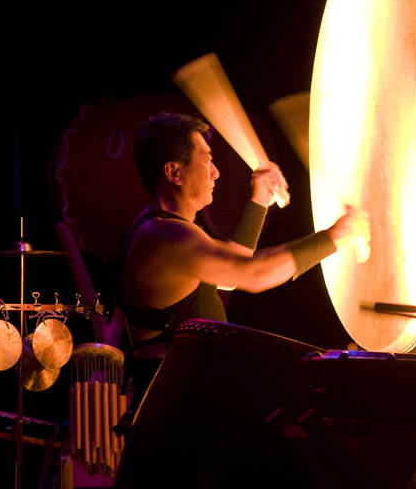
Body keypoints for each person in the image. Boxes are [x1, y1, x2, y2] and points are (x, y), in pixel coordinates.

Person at [111, 112, 369, 417]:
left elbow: (231, 273)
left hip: (184, 405)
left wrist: (259, 200)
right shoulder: (165, 236)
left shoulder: (165, 230)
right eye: (206, 160)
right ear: (174, 173)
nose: (216, 172)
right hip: (178, 415)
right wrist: (335, 236)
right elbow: (251, 274)